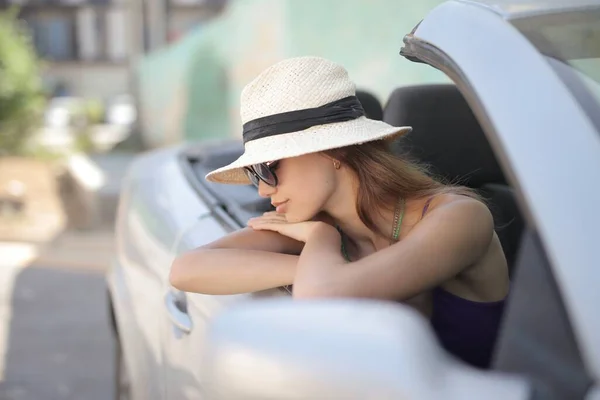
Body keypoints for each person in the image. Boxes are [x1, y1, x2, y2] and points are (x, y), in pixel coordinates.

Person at [169, 56, 510, 368]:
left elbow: (322, 293)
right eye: (254, 175)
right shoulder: (315, 227)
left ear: (333, 152)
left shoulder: (460, 217)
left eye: (267, 168)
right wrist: (318, 253)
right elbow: (186, 269)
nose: (262, 189)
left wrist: (321, 250)